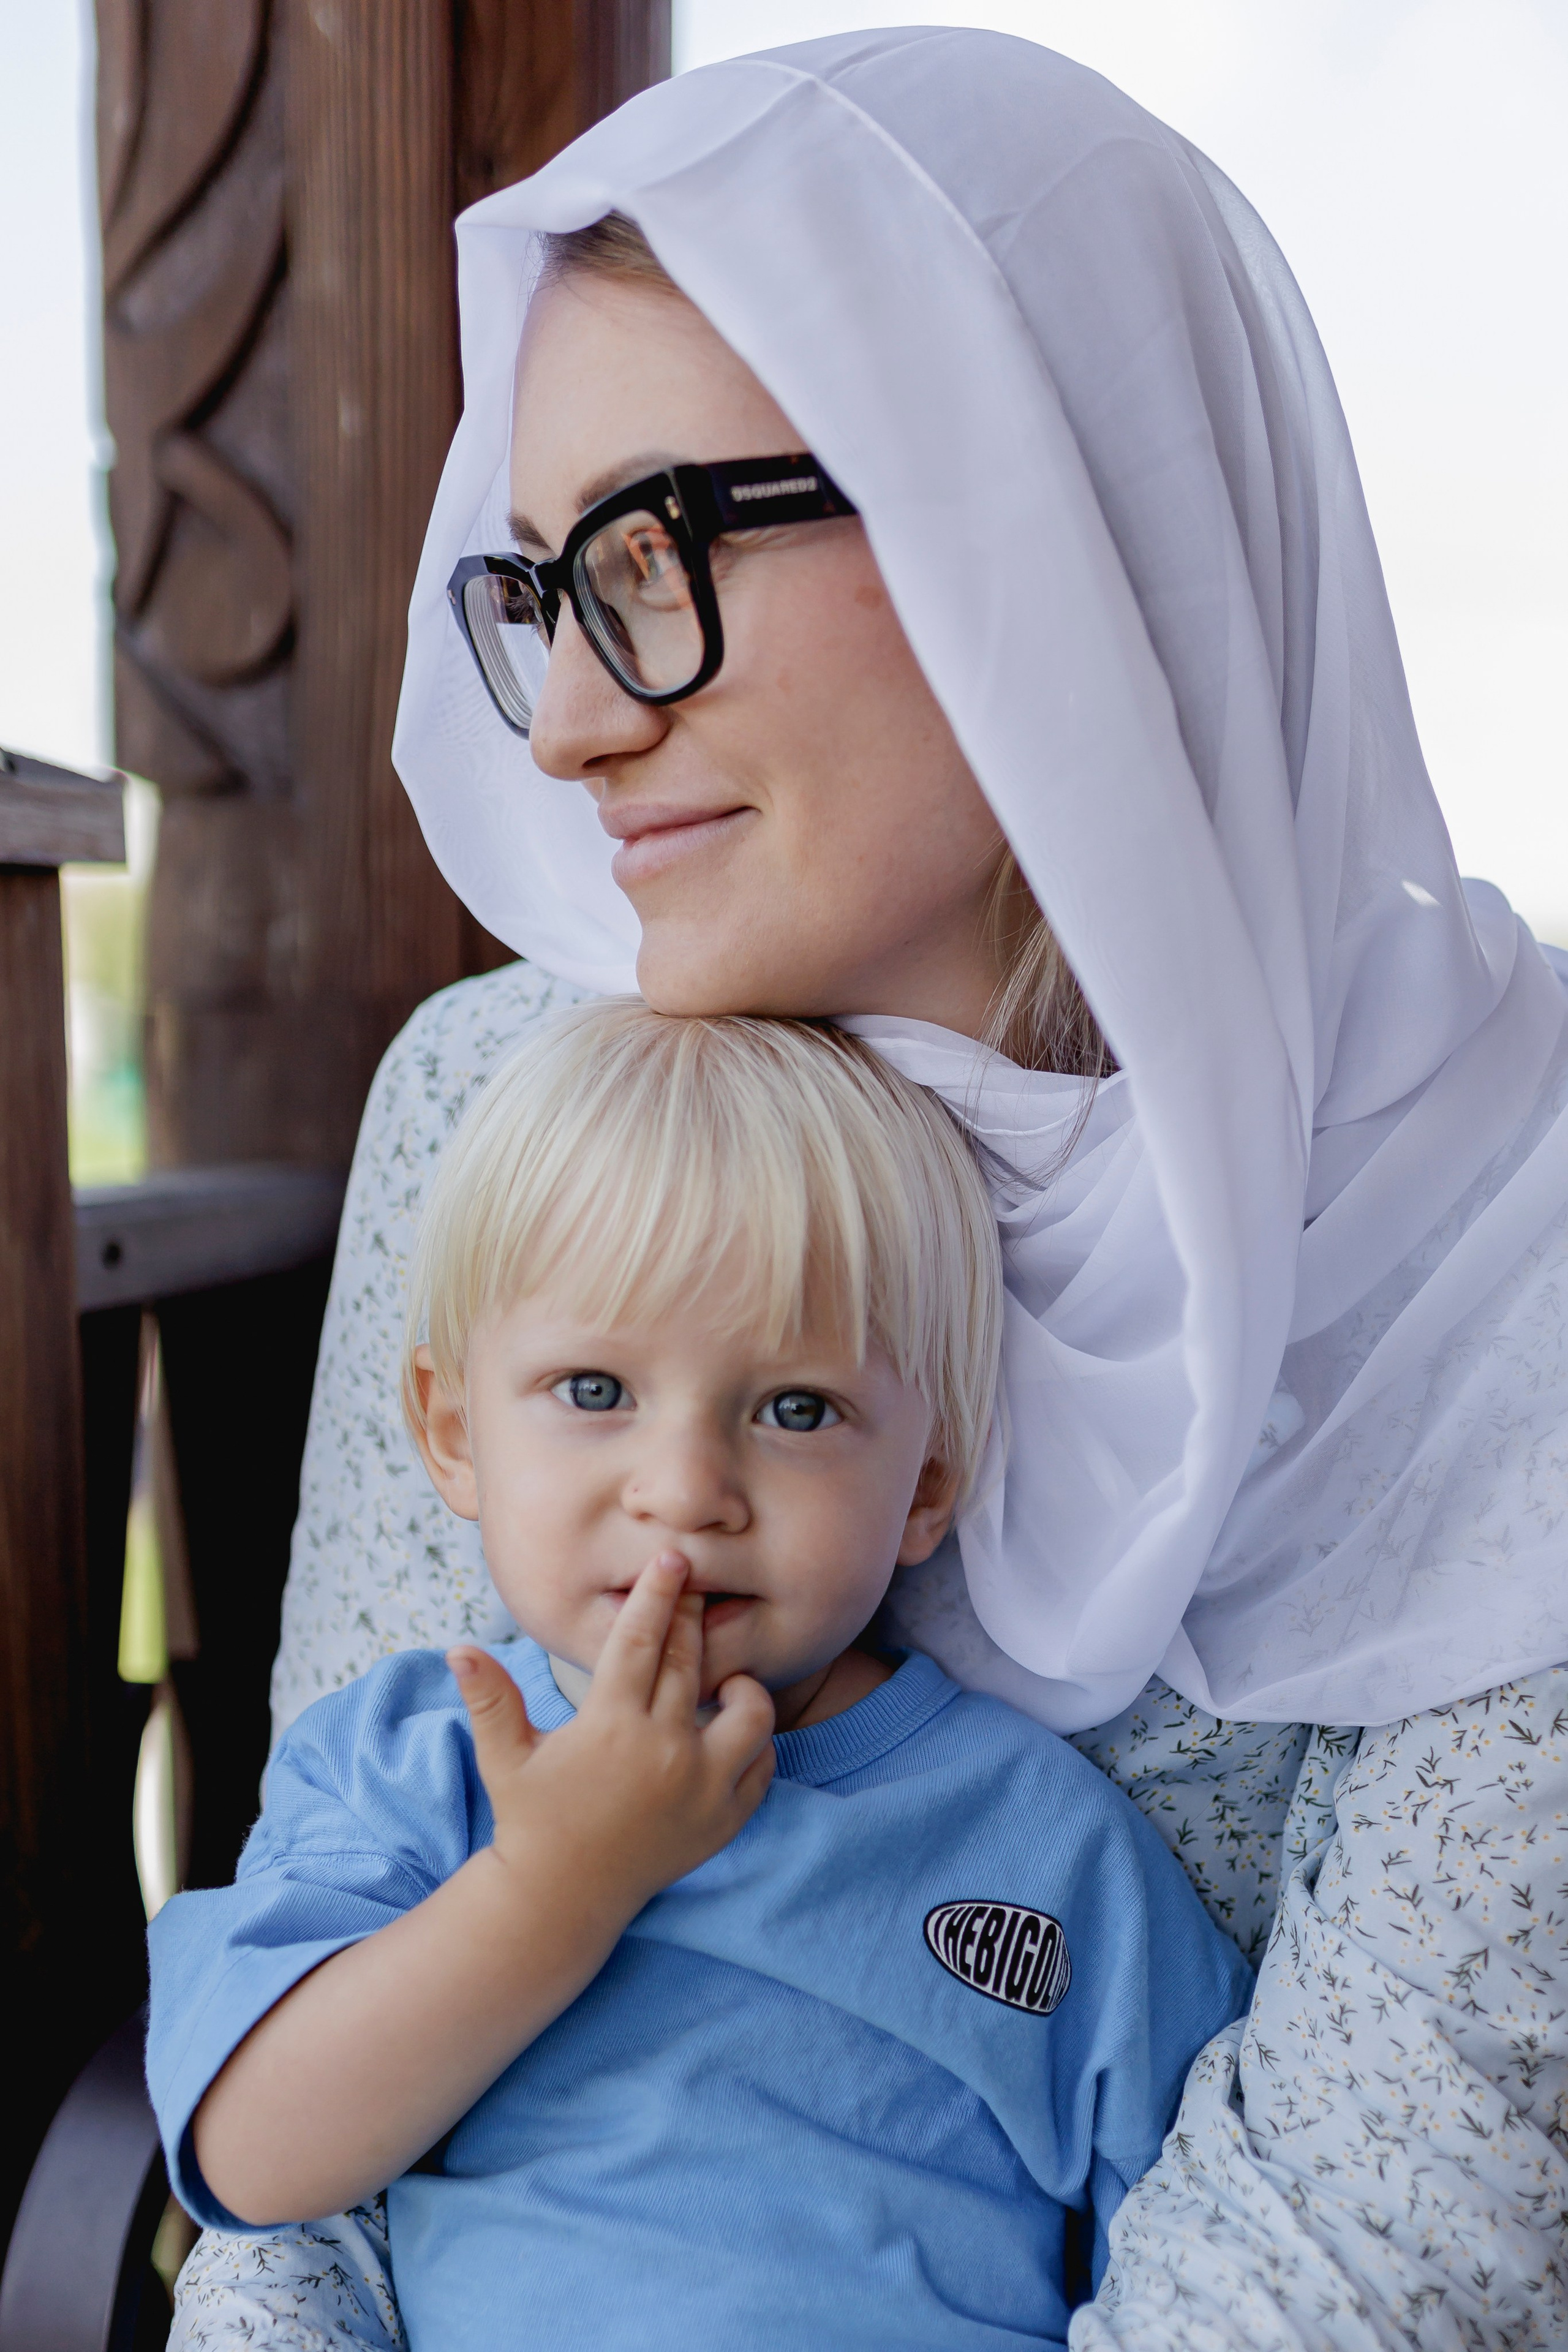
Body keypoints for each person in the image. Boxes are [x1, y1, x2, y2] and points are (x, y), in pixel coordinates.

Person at [170, 29, 1568, 2352]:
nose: (567, 723)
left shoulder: (1503, 1254)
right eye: (540, 590)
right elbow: (300, 2192)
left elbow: (1358, 2265)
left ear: (1043, 504)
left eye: (655, 559)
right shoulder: (513, 1104)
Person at [146, 1003, 1253, 2351]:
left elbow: (1217, 2246)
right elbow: (260, 2161)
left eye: (795, 1410)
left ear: (928, 1486)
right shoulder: (409, 1766)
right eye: (594, 1390)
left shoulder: (1048, 1849)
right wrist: (557, 1885)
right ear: (452, 1433)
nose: (683, 1492)